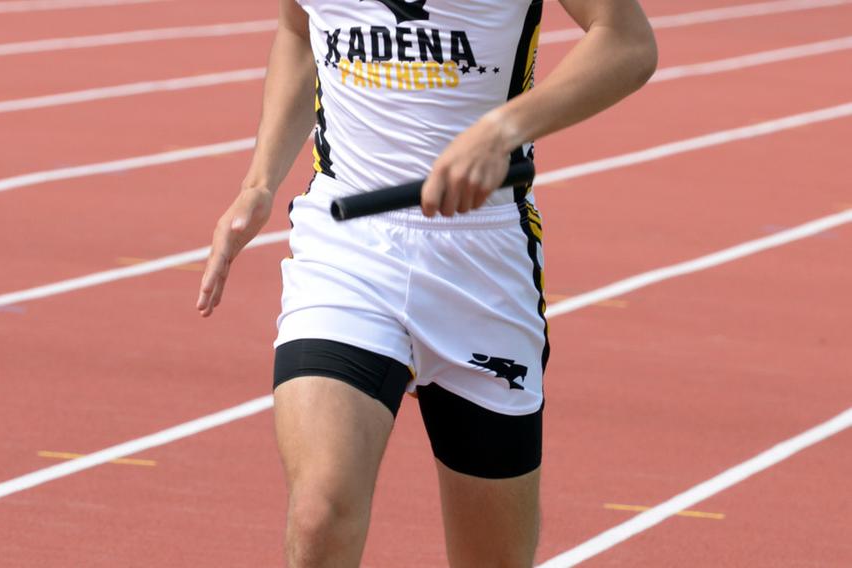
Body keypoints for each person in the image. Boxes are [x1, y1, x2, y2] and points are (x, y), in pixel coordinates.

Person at [197, 0, 656, 565]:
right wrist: (259, 183)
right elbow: (298, 30)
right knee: (319, 513)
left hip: (484, 265)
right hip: (347, 246)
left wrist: (503, 129)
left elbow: (627, 41)